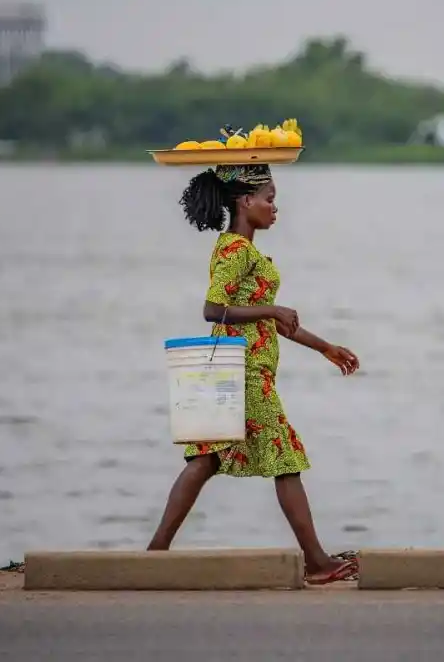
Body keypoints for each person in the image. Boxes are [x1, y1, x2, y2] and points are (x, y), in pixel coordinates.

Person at [147, 162, 361, 585]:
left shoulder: (246, 252)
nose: (276, 208)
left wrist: (326, 348)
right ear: (246, 202)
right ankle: (317, 563)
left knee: (206, 459)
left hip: (249, 369)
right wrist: (270, 308)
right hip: (244, 374)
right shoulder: (234, 252)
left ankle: (153, 555)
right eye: (270, 200)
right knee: (285, 458)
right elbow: (213, 310)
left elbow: (274, 323)